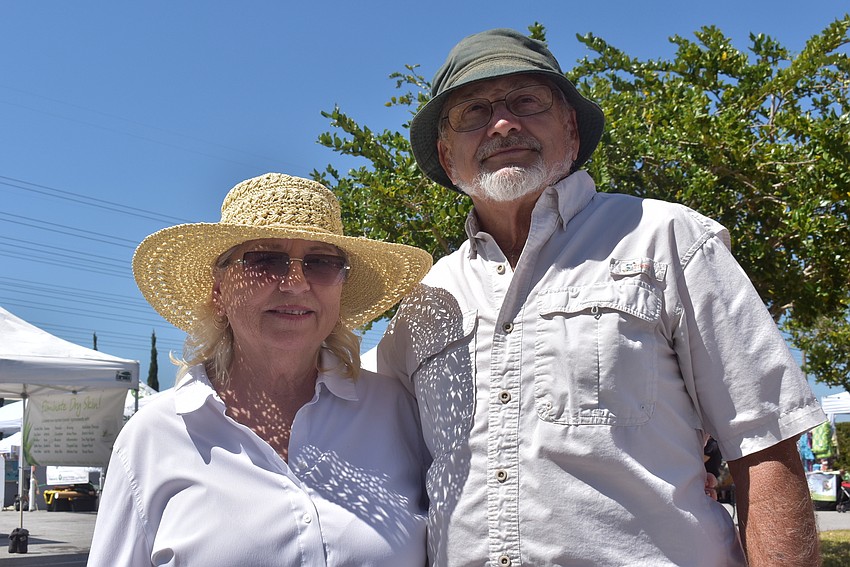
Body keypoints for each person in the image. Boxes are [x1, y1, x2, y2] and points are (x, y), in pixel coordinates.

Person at [377, 28, 826, 566]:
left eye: (526, 100)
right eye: (473, 112)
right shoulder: (427, 299)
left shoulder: (667, 239)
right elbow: (393, 463)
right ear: (448, 158)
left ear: (570, 128)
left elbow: (765, 441)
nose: (501, 123)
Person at [88, 173, 433, 566]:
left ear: (340, 289)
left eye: (321, 263)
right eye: (265, 260)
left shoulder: (397, 412)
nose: (295, 283)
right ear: (218, 291)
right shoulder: (152, 438)